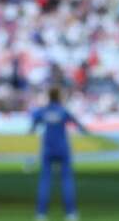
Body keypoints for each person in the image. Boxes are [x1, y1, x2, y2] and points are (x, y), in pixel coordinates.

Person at [29, 87, 89, 221]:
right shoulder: (63, 111)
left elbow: (32, 128)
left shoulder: (43, 111)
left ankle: (41, 214)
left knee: (45, 181)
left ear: (49, 96)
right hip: (63, 148)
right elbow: (80, 127)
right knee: (67, 181)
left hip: (48, 149)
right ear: (60, 97)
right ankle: (71, 213)